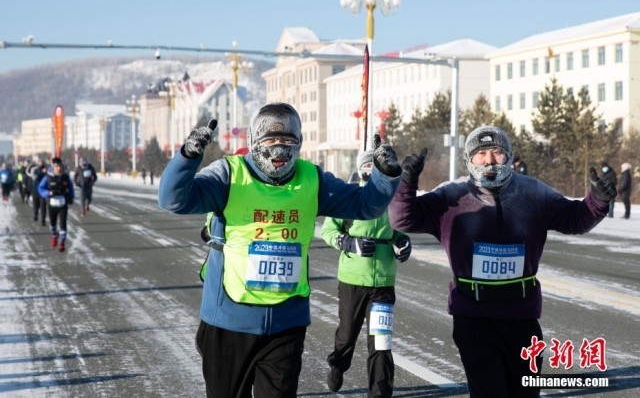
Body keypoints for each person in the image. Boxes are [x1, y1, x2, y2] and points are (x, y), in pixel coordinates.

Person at [158, 102, 401, 398]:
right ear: (254, 141)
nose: (279, 148)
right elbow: (172, 199)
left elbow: (366, 205)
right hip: (229, 321)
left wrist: (385, 173)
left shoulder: (312, 179)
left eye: (287, 140)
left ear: (299, 143)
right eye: (271, 139)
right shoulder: (230, 174)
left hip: (286, 323)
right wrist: (188, 156)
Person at [389, 125, 616, 398]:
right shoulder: (451, 195)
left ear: (509, 156)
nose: (489, 160)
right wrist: (406, 182)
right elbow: (403, 219)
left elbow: (575, 218)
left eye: (496, 152)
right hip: (473, 318)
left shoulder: (533, 192)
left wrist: (597, 201)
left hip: (522, 317)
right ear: (469, 159)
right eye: (481, 153)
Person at [320, 149, 411, 397]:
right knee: (347, 335)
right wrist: (349, 242)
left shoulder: (392, 199)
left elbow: (397, 231)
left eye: (375, 166)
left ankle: (380, 392)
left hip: (383, 280)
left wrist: (403, 241)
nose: (371, 170)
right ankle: (337, 365)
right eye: (367, 165)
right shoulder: (351, 197)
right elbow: (328, 231)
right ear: (361, 169)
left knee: (381, 342)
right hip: (352, 279)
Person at [39, 158, 75, 252]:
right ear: (53, 167)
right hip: (52, 204)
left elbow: (70, 187)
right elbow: (40, 188)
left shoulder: (65, 176)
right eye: (57, 166)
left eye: (60, 166)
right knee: (52, 224)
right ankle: (54, 235)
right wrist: (49, 193)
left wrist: (71, 197)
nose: (59, 168)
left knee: (63, 224)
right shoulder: (48, 177)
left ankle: (62, 243)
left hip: (63, 204)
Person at [28, 158, 48, 225]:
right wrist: (41, 172)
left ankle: (43, 220)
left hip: (43, 191)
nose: (41, 163)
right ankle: (35, 215)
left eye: (42, 162)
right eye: (39, 162)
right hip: (35, 190)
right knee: (36, 205)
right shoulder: (35, 169)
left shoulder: (47, 170)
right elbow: (35, 177)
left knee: (43, 206)